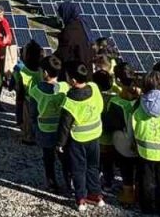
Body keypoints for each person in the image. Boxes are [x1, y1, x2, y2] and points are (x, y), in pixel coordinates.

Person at [57, 60, 104, 212]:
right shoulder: (95, 88)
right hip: (95, 135)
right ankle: (96, 195)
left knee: (78, 169)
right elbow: (100, 106)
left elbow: (65, 126)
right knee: (93, 167)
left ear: (73, 80)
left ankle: (81, 199)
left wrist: (60, 144)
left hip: (78, 139)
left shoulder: (70, 101)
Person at [132, 70, 160, 216]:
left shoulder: (139, 104)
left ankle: (146, 207)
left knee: (145, 178)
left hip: (144, 148)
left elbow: (132, 124)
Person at [28, 56, 71, 194]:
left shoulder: (35, 90)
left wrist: (34, 127)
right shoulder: (65, 87)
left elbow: (33, 112)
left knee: (48, 157)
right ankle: (70, 182)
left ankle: (51, 182)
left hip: (44, 129)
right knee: (65, 157)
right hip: (61, 129)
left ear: (45, 72)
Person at [104, 71, 140, 207]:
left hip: (122, 143)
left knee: (126, 168)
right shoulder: (143, 100)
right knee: (139, 168)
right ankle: (139, 192)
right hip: (142, 142)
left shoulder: (116, 102)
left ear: (119, 82)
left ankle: (128, 195)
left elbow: (109, 125)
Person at [14, 41, 44, 145]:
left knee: (28, 119)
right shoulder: (41, 71)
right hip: (40, 99)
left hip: (27, 99)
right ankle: (37, 136)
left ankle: (28, 137)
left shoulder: (22, 71)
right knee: (37, 118)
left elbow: (19, 88)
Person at [54, 3, 92, 79]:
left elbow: (63, 54)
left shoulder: (69, 31)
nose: (59, 16)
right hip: (86, 69)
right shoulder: (82, 24)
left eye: (60, 14)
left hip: (74, 73)